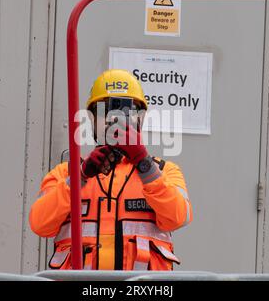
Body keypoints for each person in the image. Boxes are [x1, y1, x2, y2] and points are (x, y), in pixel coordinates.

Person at [29, 69, 192, 270]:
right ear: (91, 119)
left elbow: (177, 217)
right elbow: (39, 223)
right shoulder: (65, 174)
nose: (113, 118)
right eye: (104, 110)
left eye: (126, 110)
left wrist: (143, 162)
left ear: (140, 118)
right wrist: (81, 176)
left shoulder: (164, 171)